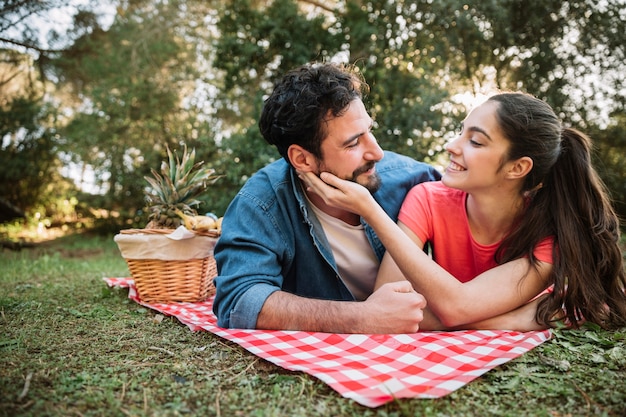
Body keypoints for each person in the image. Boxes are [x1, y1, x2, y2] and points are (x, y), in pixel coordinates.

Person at [300, 92, 626, 331]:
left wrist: (371, 211)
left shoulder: (546, 230)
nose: (452, 146)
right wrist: (519, 319)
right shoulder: (427, 199)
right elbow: (390, 304)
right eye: (461, 131)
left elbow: (456, 309)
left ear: (518, 167)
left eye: (476, 141)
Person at [212, 62, 441, 333]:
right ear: (302, 159)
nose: (377, 152)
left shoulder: (414, 180)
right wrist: (362, 317)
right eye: (353, 143)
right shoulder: (261, 203)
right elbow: (239, 300)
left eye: (370, 130)